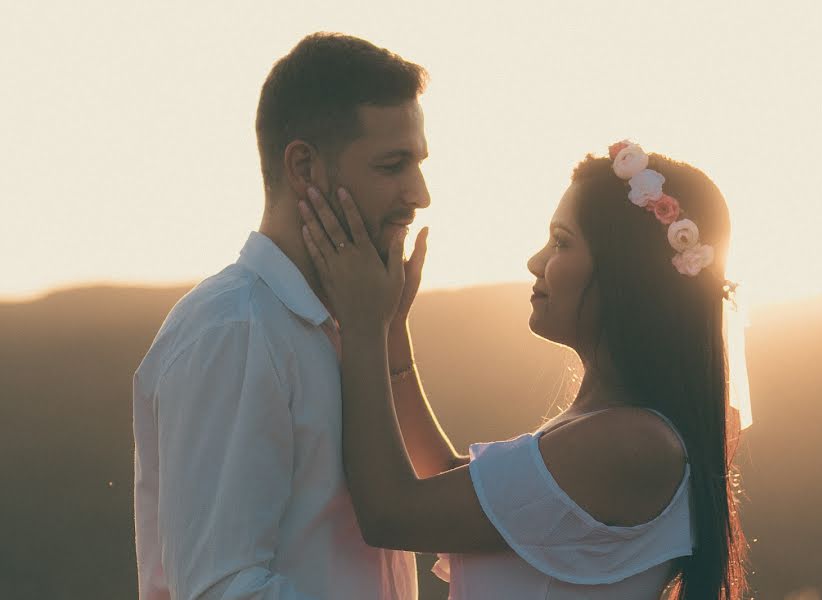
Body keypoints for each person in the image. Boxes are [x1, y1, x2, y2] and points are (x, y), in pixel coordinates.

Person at [298, 140, 751, 599]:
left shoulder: (631, 443)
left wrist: (362, 324)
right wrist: (393, 327)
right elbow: (449, 481)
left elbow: (390, 514)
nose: (535, 262)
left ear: (623, 270)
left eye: (561, 242)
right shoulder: (612, 429)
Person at [132, 33, 432, 599]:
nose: (419, 193)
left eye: (416, 164)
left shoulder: (349, 327)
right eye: (393, 165)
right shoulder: (234, 331)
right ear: (303, 167)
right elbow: (222, 588)